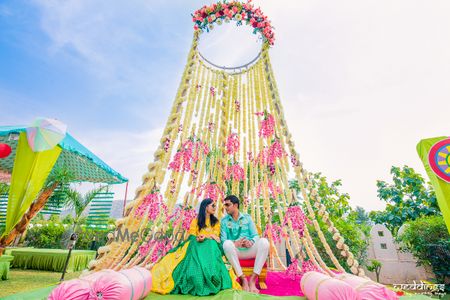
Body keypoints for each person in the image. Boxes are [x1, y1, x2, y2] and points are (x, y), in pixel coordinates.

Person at [151, 198, 240, 296]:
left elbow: (215, 235)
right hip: (198, 243)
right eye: (213, 205)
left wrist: (205, 236)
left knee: (211, 245)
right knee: (195, 249)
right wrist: (201, 237)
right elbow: (193, 234)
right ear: (206, 207)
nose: (215, 208)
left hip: (211, 245)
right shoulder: (196, 221)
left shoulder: (216, 222)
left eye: (215, 206)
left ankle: (212, 277)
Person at [221, 195, 270, 293]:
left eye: (228, 205)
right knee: (226, 244)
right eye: (224, 205)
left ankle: (252, 279)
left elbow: (255, 235)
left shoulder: (247, 218)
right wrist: (235, 243)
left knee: (264, 242)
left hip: (249, 250)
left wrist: (251, 242)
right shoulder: (224, 221)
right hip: (236, 252)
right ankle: (243, 279)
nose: (225, 207)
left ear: (235, 205)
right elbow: (223, 240)